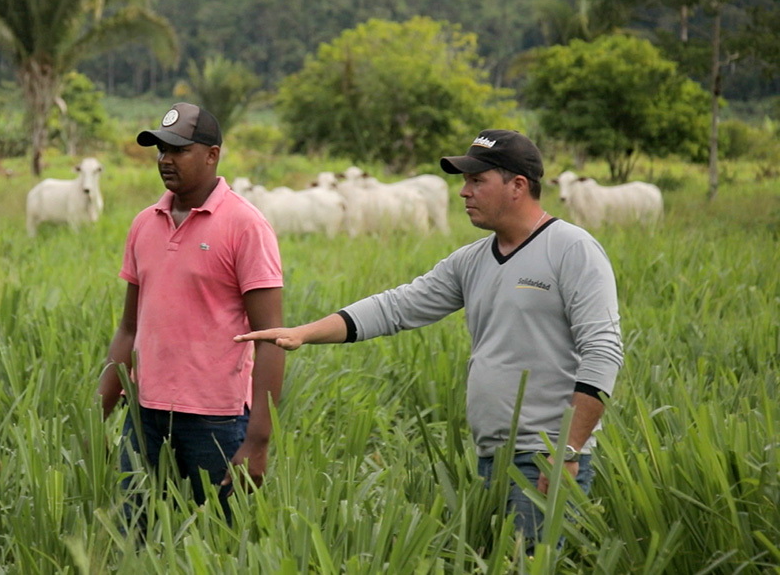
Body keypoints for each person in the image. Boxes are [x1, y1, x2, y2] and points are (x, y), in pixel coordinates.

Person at [235, 129, 623, 545]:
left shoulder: (572, 249)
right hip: (490, 458)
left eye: (477, 181)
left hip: (544, 457)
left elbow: (603, 352)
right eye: (464, 181)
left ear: (518, 186)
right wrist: (303, 333)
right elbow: (395, 307)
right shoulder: (472, 260)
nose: (463, 192)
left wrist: (566, 451)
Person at [96, 102, 285, 525]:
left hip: (214, 421)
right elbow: (130, 327)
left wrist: (258, 439)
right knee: (134, 535)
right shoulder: (145, 223)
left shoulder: (246, 226)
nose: (165, 159)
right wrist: (100, 410)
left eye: (178, 149)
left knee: (216, 541)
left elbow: (270, 336)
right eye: (160, 149)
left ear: (212, 154)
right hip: (144, 416)